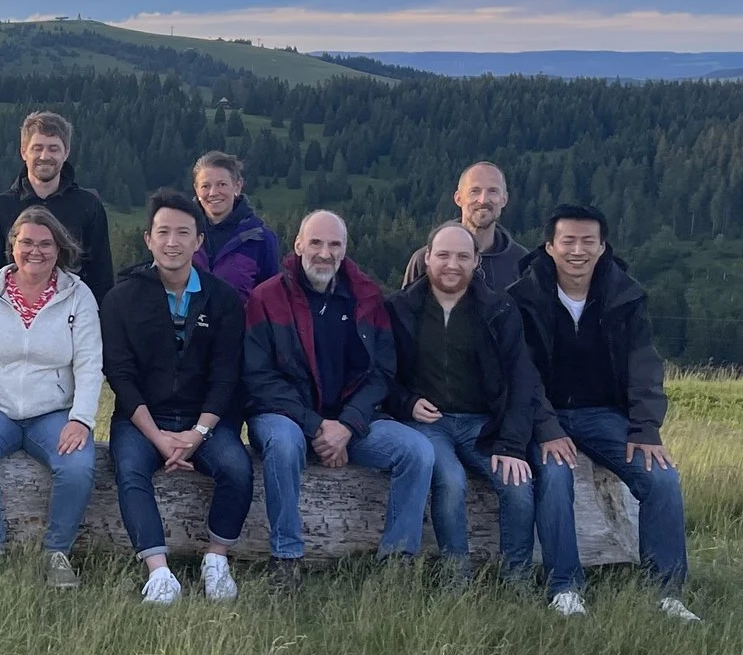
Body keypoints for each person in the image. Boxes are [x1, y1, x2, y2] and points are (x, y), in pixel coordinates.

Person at [506, 205, 699, 622]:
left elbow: (644, 364)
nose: (578, 251)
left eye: (587, 242)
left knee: (662, 478)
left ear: (602, 246)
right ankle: (565, 588)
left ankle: (667, 593)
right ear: (549, 246)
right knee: (555, 477)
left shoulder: (624, 294)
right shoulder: (523, 298)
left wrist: (645, 428)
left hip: (603, 414)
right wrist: (547, 427)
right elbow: (522, 372)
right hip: (546, 415)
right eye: (568, 241)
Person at [241, 209, 433, 588]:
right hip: (285, 416)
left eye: (334, 245)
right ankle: (286, 558)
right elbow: (259, 378)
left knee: (418, 451)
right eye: (315, 242)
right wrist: (318, 427)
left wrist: (347, 426)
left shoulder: (367, 297)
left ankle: (397, 561)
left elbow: (381, 372)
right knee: (283, 444)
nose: (324, 253)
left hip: (350, 420)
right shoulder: (266, 298)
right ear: (298, 245)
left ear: (345, 249)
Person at [102, 189, 250, 605]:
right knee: (130, 470)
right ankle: (159, 574)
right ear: (148, 239)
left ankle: (216, 559)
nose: (173, 242)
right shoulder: (121, 299)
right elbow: (120, 376)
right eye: (163, 232)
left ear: (198, 241)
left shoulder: (223, 299)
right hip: (141, 418)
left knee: (237, 468)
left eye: (183, 233)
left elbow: (226, 375)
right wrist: (157, 437)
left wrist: (198, 434)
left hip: (202, 418)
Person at [385, 221, 549, 587]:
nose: (452, 264)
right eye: (443, 255)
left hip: (484, 425)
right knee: (452, 480)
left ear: (476, 261)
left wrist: (511, 445)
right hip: (428, 424)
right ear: (427, 258)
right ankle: (456, 580)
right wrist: (407, 402)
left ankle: (517, 581)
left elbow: (521, 379)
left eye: (462, 256)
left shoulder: (499, 309)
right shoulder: (399, 308)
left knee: (518, 485)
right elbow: (381, 375)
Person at [0, 207, 104, 588]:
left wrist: (81, 419)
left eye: (45, 244)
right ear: (13, 246)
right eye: (26, 242)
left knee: (78, 465)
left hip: (53, 412)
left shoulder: (78, 297)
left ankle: (56, 552)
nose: (35, 251)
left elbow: (90, 363)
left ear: (59, 249)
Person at [0, 110, 115, 299]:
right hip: (9, 312)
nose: (44, 156)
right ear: (23, 151)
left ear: (66, 152)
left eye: (53, 149)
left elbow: (101, 275)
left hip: (74, 311)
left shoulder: (88, 206)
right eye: (37, 148)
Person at [402, 162, 531, 293]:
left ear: (504, 199)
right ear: (458, 198)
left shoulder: (522, 262)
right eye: (475, 191)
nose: (483, 200)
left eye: (493, 191)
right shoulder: (427, 260)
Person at [192, 151, 282, 297]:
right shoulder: (182, 235)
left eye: (221, 184)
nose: (213, 192)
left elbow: (272, 299)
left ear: (237, 186)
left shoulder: (261, 239)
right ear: (196, 190)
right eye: (205, 186)